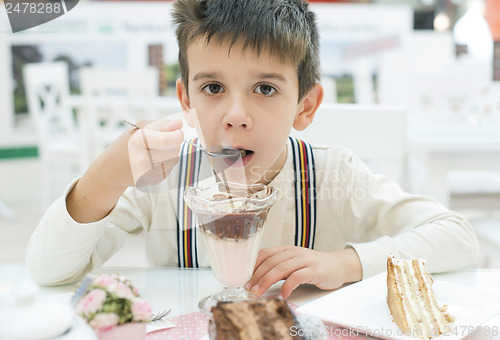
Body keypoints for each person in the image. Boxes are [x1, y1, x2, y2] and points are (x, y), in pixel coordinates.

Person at [27, 0, 478, 299]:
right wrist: (106, 176)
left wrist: (347, 262)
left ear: (305, 106)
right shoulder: (164, 184)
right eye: (213, 87)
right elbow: (50, 272)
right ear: (186, 100)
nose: (236, 114)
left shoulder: (332, 175)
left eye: (264, 87)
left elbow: (457, 237)